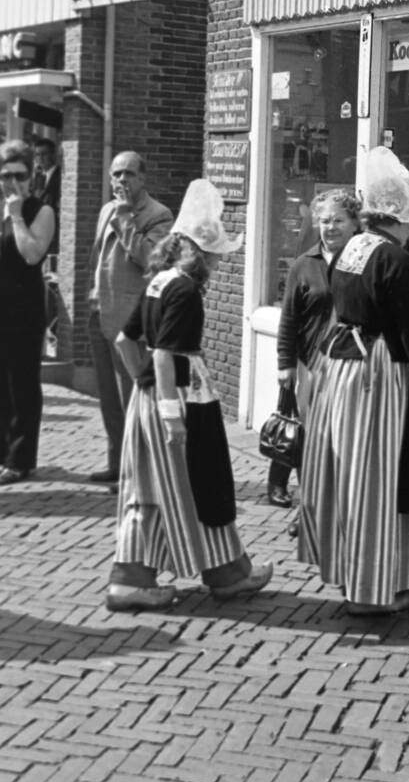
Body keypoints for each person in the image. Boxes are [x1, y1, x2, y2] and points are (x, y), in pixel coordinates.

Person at [299, 147, 409, 615]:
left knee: (351, 476)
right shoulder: (398, 260)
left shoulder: (350, 248)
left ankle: (361, 571)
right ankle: (374, 591)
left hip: (341, 370)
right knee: (375, 482)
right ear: (399, 214)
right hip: (377, 375)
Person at [106, 178, 272, 612]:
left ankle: (226, 569)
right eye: (215, 253)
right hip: (181, 398)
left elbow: (126, 340)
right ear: (202, 253)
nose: (218, 262)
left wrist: (140, 386)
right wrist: (169, 412)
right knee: (193, 482)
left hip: (154, 396)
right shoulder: (184, 291)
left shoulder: (159, 281)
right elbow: (164, 353)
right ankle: (141, 579)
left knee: (174, 485)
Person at [270, 188, 362, 508]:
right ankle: (296, 495)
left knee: (336, 433)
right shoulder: (303, 265)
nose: (330, 227)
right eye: (324, 221)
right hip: (311, 362)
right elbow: (288, 319)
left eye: (338, 220)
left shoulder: (363, 260)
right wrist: (286, 364)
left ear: (355, 223)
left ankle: (327, 498)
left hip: (350, 363)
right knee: (304, 430)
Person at [88, 151, 173, 486]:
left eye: (128, 174)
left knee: (131, 398)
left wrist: (125, 215)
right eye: (116, 174)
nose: (121, 180)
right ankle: (116, 463)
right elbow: (98, 256)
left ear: (143, 178)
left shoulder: (158, 215)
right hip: (99, 313)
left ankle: (137, 471)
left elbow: (149, 259)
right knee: (108, 398)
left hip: (130, 320)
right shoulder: (107, 209)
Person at [0, 141, 56, 484]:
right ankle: (3, 453)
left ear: (31, 174)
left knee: (21, 383)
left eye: (18, 175)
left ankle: (21, 459)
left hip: (24, 311)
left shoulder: (40, 211)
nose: (11, 183)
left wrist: (18, 214)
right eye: (5, 176)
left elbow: (32, 254)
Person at [33, 137, 61, 254]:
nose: (40, 158)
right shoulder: (37, 178)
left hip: (54, 233)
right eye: (37, 154)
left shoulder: (61, 176)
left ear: (53, 155)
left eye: (44, 154)